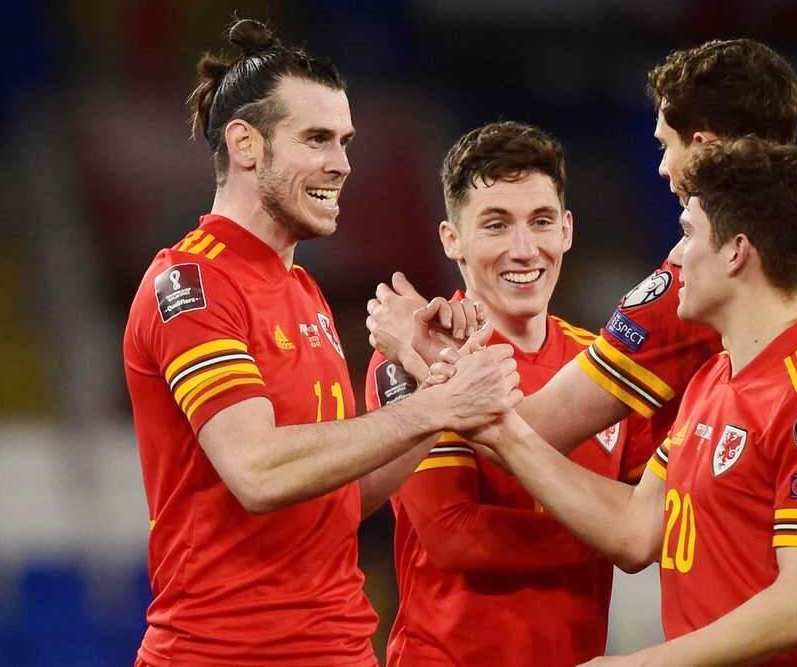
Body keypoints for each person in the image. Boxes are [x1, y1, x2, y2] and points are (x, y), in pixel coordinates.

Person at [369, 38, 797, 663]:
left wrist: (425, 364)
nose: (662, 169)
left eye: (666, 144)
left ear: (709, 151)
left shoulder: (717, 323)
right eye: (497, 224)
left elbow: (534, 430)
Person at [121, 20, 518, 666]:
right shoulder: (191, 283)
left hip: (340, 647)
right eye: (317, 139)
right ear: (245, 145)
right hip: (221, 655)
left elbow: (339, 498)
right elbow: (257, 470)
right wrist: (432, 408)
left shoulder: (303, 290)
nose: (343, 163)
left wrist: (438, 381)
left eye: (345, 141)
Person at [453, 137, 797, 664]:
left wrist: (640, 664)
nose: (677, 255)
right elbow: (636, 528)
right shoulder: (712, 381)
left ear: (736, 252)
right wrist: (499, 428)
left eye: (688, 233)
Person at [363, 122, 655, 666]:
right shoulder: (413, 355)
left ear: (567, 229)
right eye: (496, 225)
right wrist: (619, 530)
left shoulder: (607, 370)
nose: (524, 250)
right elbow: (453, 535)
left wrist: (639, 529)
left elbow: (666, 512)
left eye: (541, 221)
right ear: (452, 239)